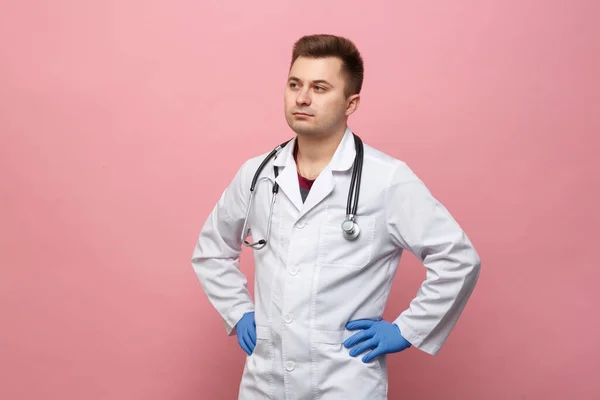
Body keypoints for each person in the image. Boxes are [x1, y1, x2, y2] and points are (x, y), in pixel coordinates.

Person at [191, 34, 481, 400]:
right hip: (265, 381)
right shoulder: (257, 174)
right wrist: (238, 310)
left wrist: (408, 330)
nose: (302, 98)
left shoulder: (387, 179)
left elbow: (458, 259)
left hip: (344, 380)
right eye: (294, 84)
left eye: (320, 87)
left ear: (351, 103)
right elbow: (211, 250)